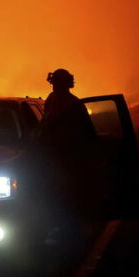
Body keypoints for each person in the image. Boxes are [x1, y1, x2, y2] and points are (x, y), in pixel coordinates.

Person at [37, 68, 97, 245]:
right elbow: (44, 125)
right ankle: (62, 228)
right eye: (54, 83)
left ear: (66, 84)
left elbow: (87, 132)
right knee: (56, 195)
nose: (55, 86)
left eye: (58, 83)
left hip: (70, 158)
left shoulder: (75, 105)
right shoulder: (51, 100)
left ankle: (73, 232)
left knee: (70, 196)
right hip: (53, 158)